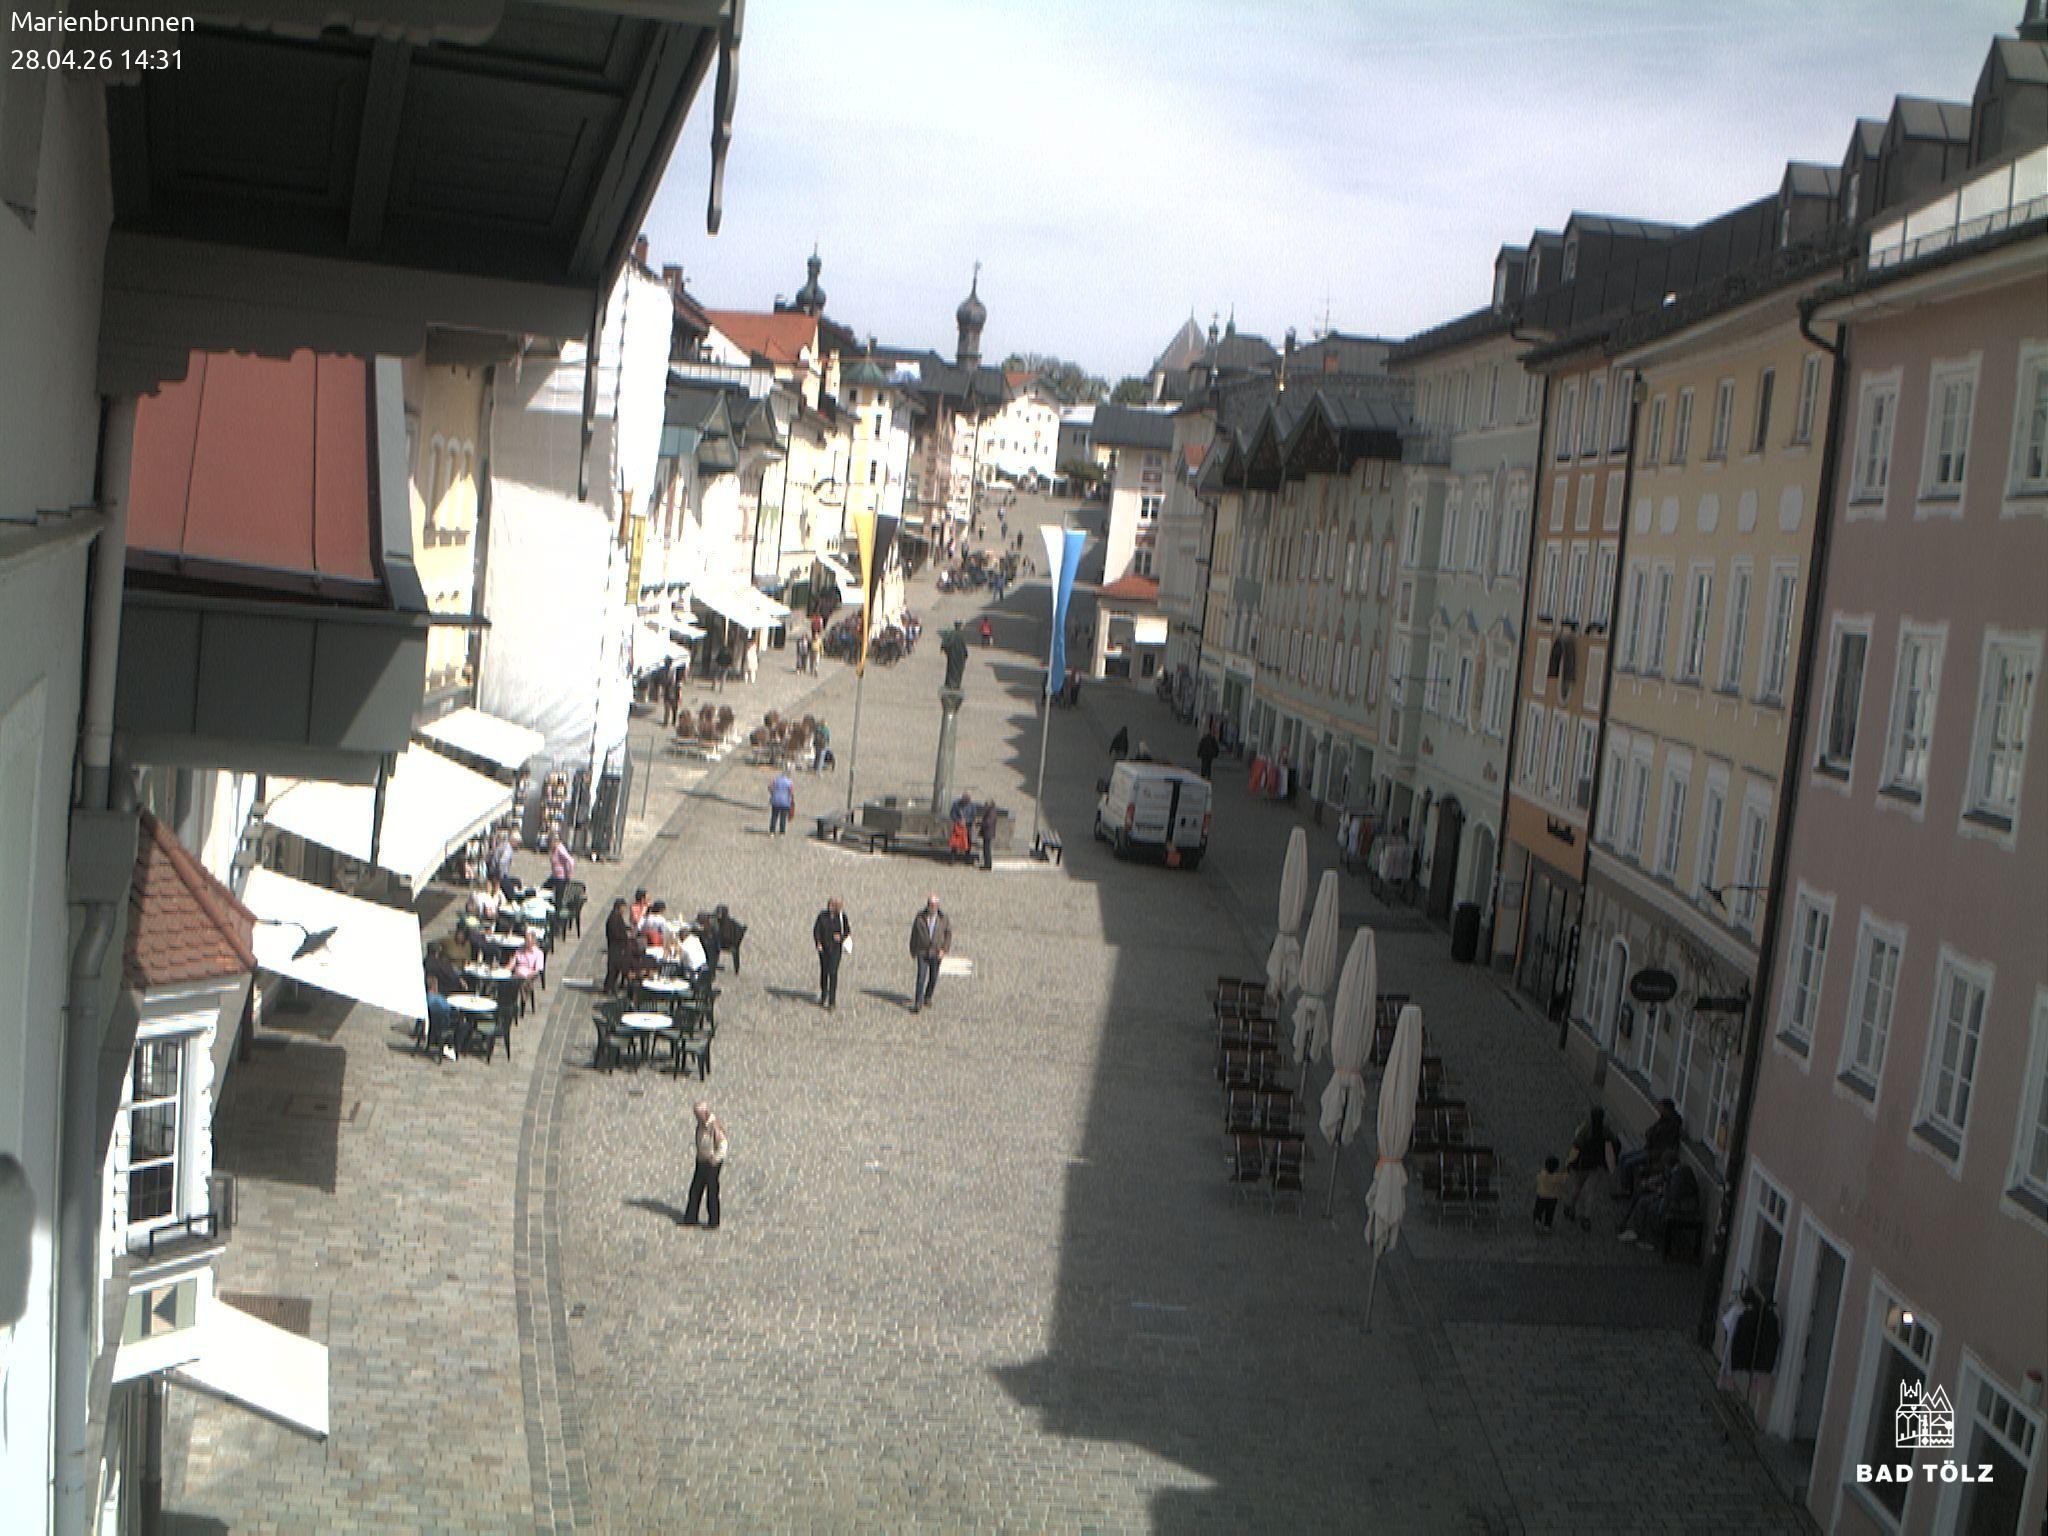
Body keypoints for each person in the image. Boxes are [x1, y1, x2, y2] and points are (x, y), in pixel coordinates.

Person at [1618, 1158, 1701, 1247]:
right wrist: (1655, 1185)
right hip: (1674, 1200)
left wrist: (1659, 1191)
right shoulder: (1677, 1169)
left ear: (1669, 1165)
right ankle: (1636, 1230)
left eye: (1665, 1166)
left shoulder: (1679, 1174)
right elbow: (1666, 1180)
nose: (1665, 1168)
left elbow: (1673, 1194)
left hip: (1682, 1205)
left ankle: (1648, 1238)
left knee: (1651, 1207)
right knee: (1644, 1200)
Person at [1561, 1106, 1620, 1231]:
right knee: (1591, 1192)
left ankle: (1570, 1207)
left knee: (1577, 1187)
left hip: (1582, 1163)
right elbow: (1615, 1142)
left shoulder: (1586, 1129)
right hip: (1596, 1164)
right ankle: (1586, 1217)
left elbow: (1576, 1145)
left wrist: (1569, 1162)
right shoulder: (1605, 1131)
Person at [1615, 1097, 1684, 1200]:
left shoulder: (1672, 1123)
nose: (1659, 1109)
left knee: (1628, 1163)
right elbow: (1650, 1132)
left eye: (1661, 1107)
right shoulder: (1663, 1119)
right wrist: (1652, 1134)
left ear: (1666, 1109)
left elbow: (1656, 1134)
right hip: (1650, 1148)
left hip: (1657, 1152)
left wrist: (1652, 1134)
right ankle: (1624, 1185)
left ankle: (1627, 1190)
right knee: (1624, 1157)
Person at [681, 1101, 727, 1229]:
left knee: (712, 1192)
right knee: (695, 1189)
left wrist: (716, 1158)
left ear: (704, 1113)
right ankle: (690, 1218)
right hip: (701, 1160)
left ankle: (713, 1221)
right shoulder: (701, 1125)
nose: (696, 1117)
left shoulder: (714, 1126)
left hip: (712, 1163)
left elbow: (723, 1145)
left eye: (698, 1114)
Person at [908, 894, 952, 1014]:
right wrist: (912, 949)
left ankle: (928, 996)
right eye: (929, 904)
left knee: (933, 977)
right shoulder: (920, 917)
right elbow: (914, 933)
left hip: (936, 952)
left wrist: (944, 949)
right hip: (922, 951)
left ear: (938, 905)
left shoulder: (943, 919)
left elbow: (948, 934)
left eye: (933, 905)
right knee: (921, 977)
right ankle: (918, 1002)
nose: (931, 907)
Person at [813, 897, 851, 1009]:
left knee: (833, 973)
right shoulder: (822, 916)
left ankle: (832, 1002)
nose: (830, 907)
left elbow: (847, 930)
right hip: (824, 949)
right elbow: (816, 930)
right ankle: (824, 993)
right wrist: (818, 943)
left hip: (835, 949)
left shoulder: (842, 918)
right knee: (824, 972)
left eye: (832, 906)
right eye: (829, 905)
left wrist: (841, 937)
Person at [603, 898, 635, 995]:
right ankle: (609, 987)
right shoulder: (613, 918)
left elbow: (622, 926)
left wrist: (628, 928)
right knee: (613, 968)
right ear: (619, 907)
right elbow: (615, 934)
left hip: (619, 946)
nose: (624, 910)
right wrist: (626, 939)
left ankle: (612, 986)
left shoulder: (618, 916)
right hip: (615, 946)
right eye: (623, 908)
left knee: (616, 968)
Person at [1533, 1155, 1567, 1232]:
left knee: (1538, 1209)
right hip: (1552, 1198)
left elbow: (1538, 1178)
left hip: (1541, 1196)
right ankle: (1547, 1226)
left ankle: (1537, 1221)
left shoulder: (1542, 1174)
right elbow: (1564, 1180)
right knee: (1550, 1212)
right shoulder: (1558, 1177)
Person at [546, 837, 575, 905]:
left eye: (550, 842)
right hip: (554, 876)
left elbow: (570, 861)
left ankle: (557, 912)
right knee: (544, 890)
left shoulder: (560, 849)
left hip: (561, 878)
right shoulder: (554, 849)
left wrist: (568, 875)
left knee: (558, 899)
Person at [768, 768, 796, 836]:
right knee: (783, 818)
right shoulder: (790, 782)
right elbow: (791, 792)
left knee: (774, 817)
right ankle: (782, 832)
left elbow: (769, 787)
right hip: (785, 802)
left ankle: (772, 831)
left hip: (775, 801)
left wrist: (773, 793)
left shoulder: (775, 780)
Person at [979, 798, 999, 872]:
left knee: (987, 849)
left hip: (988, 833)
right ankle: (986, 864)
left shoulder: (991, 812)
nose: (985, 806)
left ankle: (987, 865)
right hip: (988, 833)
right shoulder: (991, 811)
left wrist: (981, 824)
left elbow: (988, 822)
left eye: (986, 804)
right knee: (986, 849)